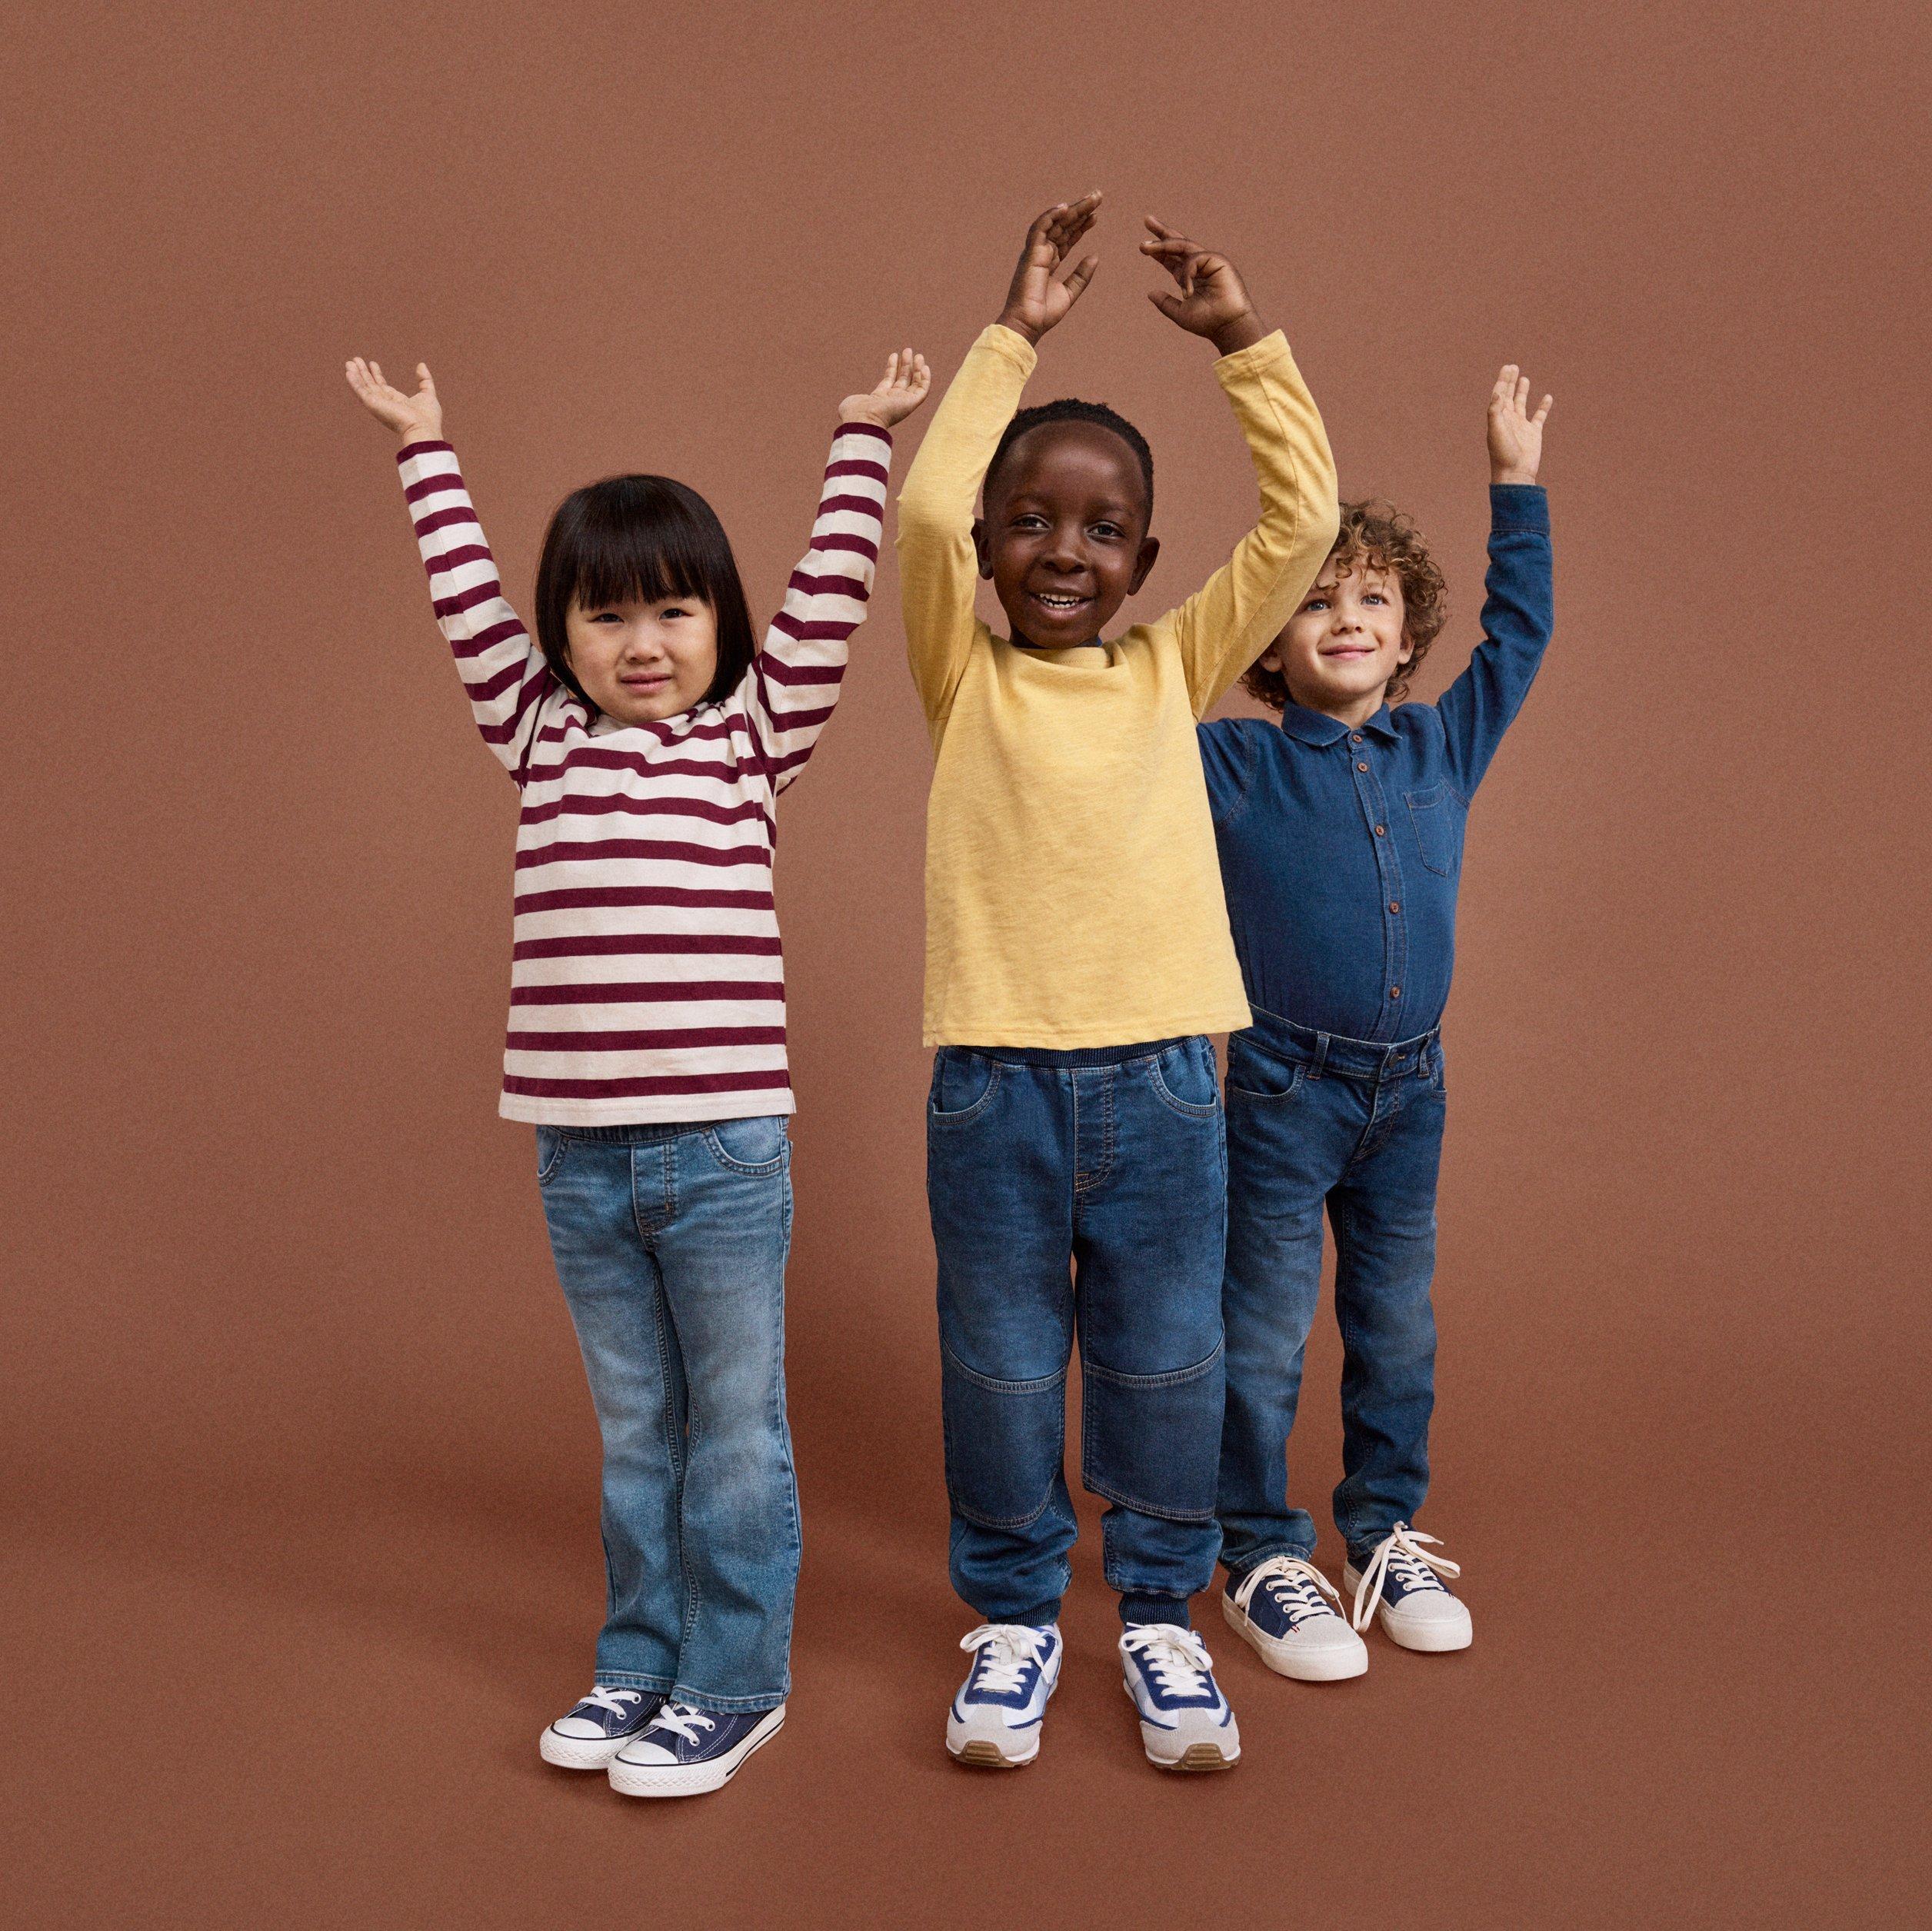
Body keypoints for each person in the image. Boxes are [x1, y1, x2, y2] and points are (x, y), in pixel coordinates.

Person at [345, 345, 929, 1795]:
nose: (644, 641)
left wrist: (861, 439)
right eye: (605, 616)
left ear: (723, 624)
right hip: (580, 1153)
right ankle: (638, 1661)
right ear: (562, 639)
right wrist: (426, 447)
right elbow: (465, 602)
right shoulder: (537, 729)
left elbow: (833, 601)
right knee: (632, 1428)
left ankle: (733, 1682)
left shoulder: (752, 734)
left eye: (675, 608)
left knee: (732, 1427)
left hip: (726, 1148)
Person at [895, 194, 1339, 1772]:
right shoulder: (960, 670)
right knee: (1001, 1361)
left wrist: (1239, 341)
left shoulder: (1173, 664)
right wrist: (1014, 332)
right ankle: (1013, 1616)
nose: (1058, 548)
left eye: (1096, 529)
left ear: (1144, 560)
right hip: (992, 1082)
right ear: (990, 546)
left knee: (1166, 1357)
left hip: (1161, 1083)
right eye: (1029, 519)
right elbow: (920, 506)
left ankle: (1159, 1609)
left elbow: (1298, 523)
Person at [1201, 368, 1554, 1682]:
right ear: (1267, 640)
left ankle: (1385, 1531)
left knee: (1397, 1323)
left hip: (1413, 1091)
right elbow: (1109, 732)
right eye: (1314, 597)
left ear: (1409, 636)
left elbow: (1517, 637)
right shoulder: (1231, 761)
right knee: (1264, 1328)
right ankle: (1258, 1550)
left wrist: (1515, 486)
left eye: (1372, 598)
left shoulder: (1440, 746)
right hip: (1283, 1088)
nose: (1345, 617)